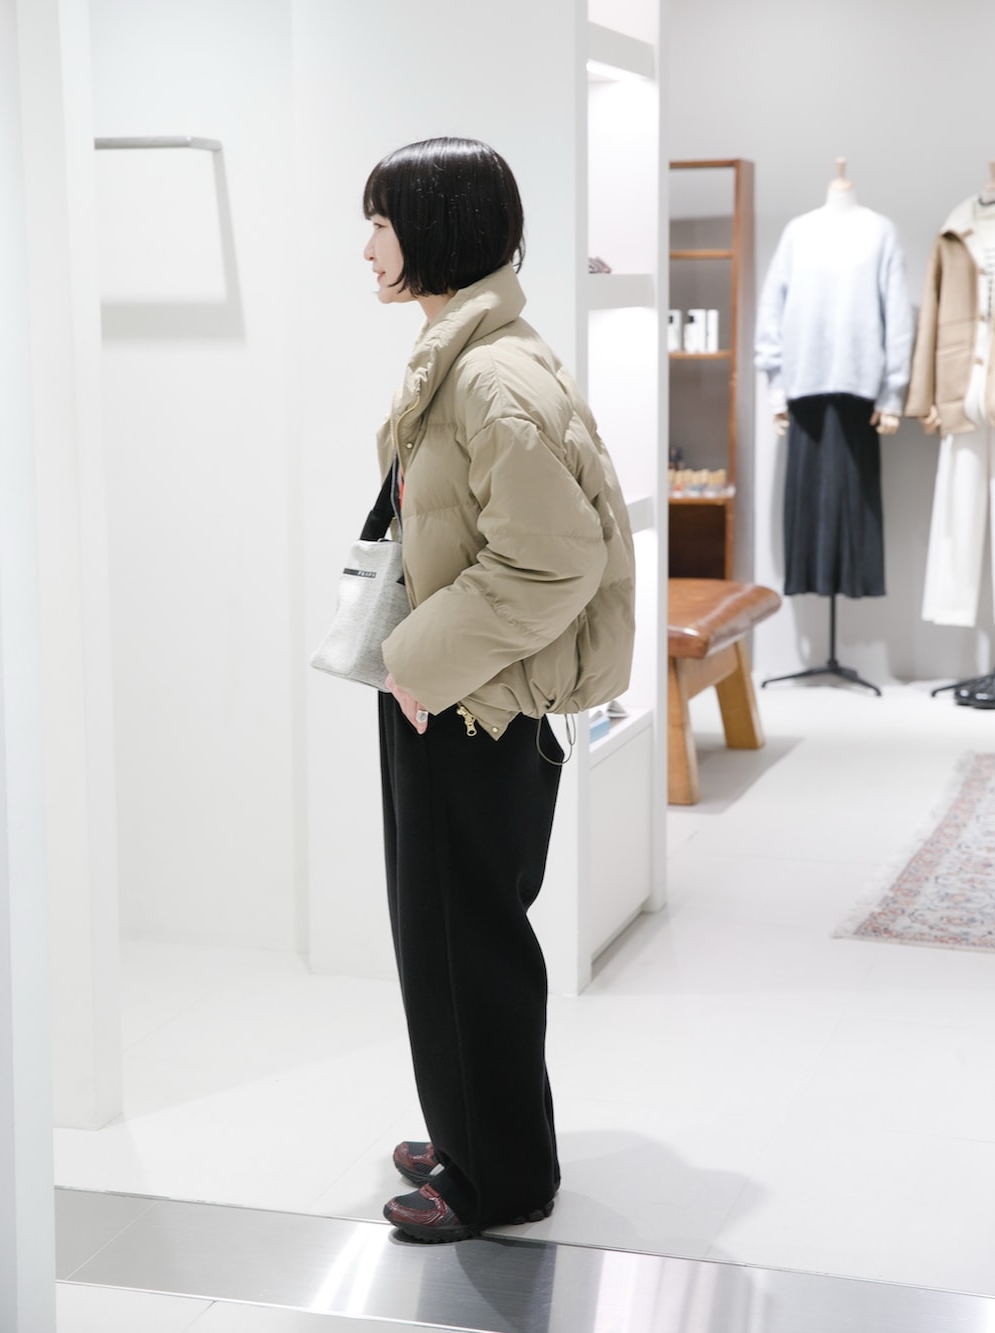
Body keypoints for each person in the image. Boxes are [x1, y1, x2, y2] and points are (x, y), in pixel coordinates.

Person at [362, 136, 635, 1244]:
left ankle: (498, 1179)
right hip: (468, 689)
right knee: (456, 929)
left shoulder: (484, 373)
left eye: (382, 221)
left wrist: (417, 658)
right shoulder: (478, 351)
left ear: (437, 230)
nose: (368, 246)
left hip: (470, 698)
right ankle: (475, 1133)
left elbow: (553, 559)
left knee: (462, 935)